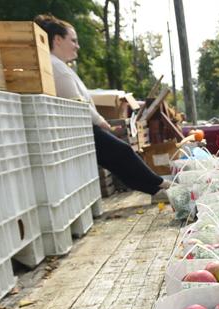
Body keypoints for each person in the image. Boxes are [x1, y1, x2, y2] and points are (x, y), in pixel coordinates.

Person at [34, 15, 170, 197]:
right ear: (57, 40)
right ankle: (159, 186)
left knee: (119, 153)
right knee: (121, 152)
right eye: (73, 40)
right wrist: (100, 121)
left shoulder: (58, 66)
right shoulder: (57, 68)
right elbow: (78, 103)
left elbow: (83, 96)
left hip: (77, 129)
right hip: (78, 130)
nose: (77, 46)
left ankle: (157, 187)